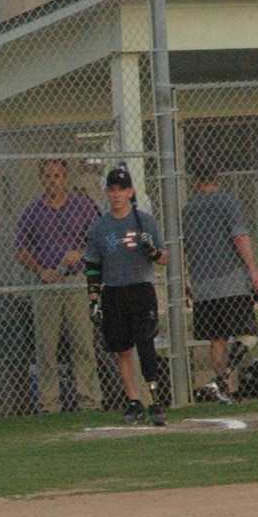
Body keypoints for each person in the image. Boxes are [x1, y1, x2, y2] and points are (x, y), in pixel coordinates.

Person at [14, 158, 103, 413]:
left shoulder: (82, 207)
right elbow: (20, 250)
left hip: (75, 281)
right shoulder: (32, 211)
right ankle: (49, 402)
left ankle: (89, 400)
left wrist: (81, 253)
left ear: (65, 178)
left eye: (58, 176)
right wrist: (41, 270)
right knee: (46, 347)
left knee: (83, 343)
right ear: (41, 179)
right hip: (47, 284)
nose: (53, 181)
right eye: (48, 176)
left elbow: (99, 239)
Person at [85, 168, 170, 426]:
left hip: (141, 289)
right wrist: (94, 299)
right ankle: (134, 401)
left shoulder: (144, 221)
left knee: (146, 344)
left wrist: (152, 251)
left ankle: (155, 400)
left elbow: (164, 258)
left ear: (130, 192)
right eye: (112, 190)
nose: (116, 195)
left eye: (122, 189)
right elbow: (94, 264)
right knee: (122, 349)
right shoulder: (101, 228)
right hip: (114, 291)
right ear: (106, 192)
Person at [182, 166, 258, 404]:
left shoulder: (188, 210)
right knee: (248, 335)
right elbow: (239, 237)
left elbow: (184, 247)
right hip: (230, 280)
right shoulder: (229, 202)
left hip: (202, 284)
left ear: (197, 184)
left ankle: (226, 390)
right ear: (218, 180)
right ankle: (223, 380)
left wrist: (188, 280)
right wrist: (253, 271)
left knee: (217, 339)